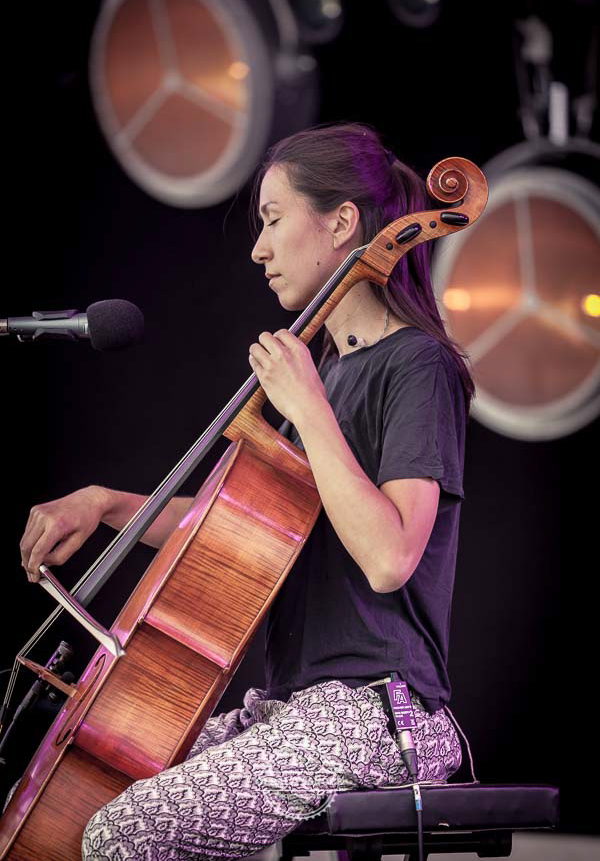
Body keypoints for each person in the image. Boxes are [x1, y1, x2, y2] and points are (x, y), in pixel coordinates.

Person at [19, 122, 474, 860]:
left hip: (379, 717)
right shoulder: (322, 374)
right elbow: (234, 524)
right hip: (292, 709)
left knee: (122, 832)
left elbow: (390, 557)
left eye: (272, 219)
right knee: (84, 810)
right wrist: (107, 505)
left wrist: (309, 408)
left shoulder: (417, 366)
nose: (258, 248)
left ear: (341, 222)